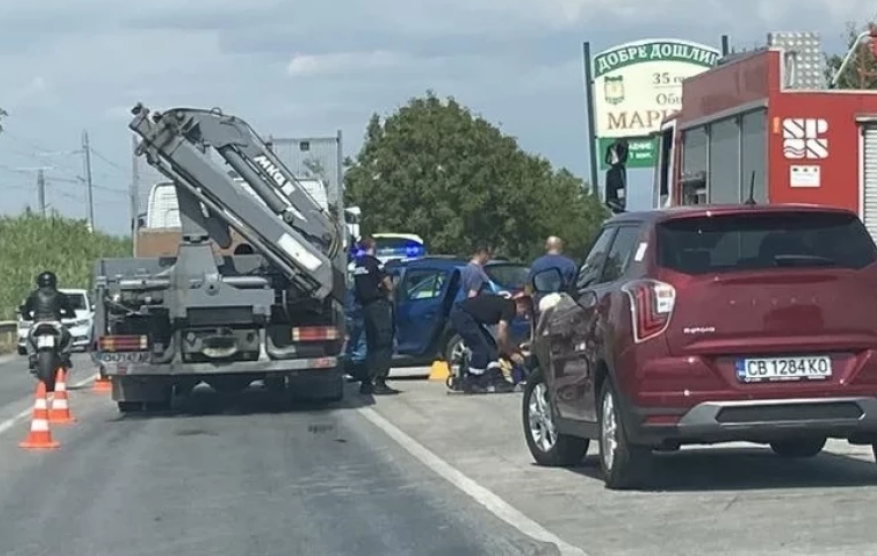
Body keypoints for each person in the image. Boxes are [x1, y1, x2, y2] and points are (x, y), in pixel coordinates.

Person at [449, 291, 530, 393]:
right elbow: (501, 335)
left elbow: (505, 337)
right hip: (462, 314)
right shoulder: (510, 307)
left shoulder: (505, 304)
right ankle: (471, 381)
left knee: (491, 347)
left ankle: (495, 378)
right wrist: (511, 353)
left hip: (465, 314)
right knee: (481, 348)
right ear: (520, 303)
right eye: (525, 311)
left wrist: (516, 350)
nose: (525, 316)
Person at [352, 236, 398, 395]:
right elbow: (387, 283)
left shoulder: (358, 265)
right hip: (378, 306)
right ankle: (380, 381)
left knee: (370, 344)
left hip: (365, 308)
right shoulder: (375, 263)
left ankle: (367, 382)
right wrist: (391, 294)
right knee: (383, 343)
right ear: (372, 246)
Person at [20, 271, 76, 368]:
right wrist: (65, 315)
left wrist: (28, 317)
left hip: (38, 324)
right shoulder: (60, 295)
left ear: (39, 282)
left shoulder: (33, 295)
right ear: (54, 281)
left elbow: (25, 311)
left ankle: (32, 356)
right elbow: (71, 312)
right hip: (56, 324)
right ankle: (65, 355)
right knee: (70, 338)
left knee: (28, 339)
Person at [527, 236, 578, 302]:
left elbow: (528, 288)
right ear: (561, 247)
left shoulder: (536, 264)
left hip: (541, 302)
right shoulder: (570, 264)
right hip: (562, 302)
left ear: (546, 247)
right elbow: (575, 287)